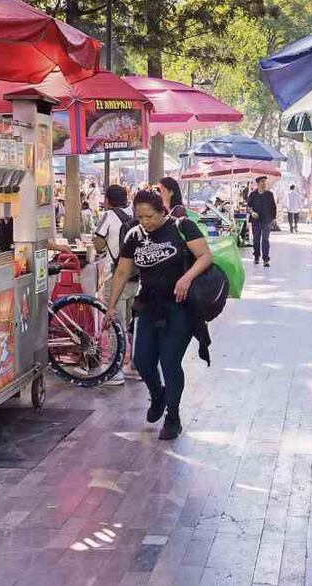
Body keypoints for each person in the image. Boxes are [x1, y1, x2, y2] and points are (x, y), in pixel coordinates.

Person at [106, 190, 212, 440]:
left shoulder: (181, 227)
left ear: (162, 211)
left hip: (179, 306)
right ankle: (158, 394)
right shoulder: (134, 235)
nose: (145, 222)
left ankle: (172, 417)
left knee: (170, 361)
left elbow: (205, 256)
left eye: (150, 216)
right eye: (140, 217)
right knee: (141, 360)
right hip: (148, 306)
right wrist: (111, 306)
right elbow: (122, 272)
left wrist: (187, 278)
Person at [94, 184, 139, 385]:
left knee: (113, 321)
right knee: (130, 323)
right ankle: (135, 366)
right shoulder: (134, 213)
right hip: (135, 276)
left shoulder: (109, 216)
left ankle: (114, 370)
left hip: (116, 276)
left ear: (109, 200)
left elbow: (98, 243)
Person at [247, 176, 277, 267]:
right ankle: (256, 256)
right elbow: (248, 207)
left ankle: (265, 259)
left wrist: (274, 219)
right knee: (256, 240)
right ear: (258, 183)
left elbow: (273, 207)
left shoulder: (269, 194)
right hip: (256, 221)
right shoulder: (252, 195)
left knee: (265, 239)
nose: (264, 183)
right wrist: (252, 212)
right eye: (262, 182)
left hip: (266, 220)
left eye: (265, 182)